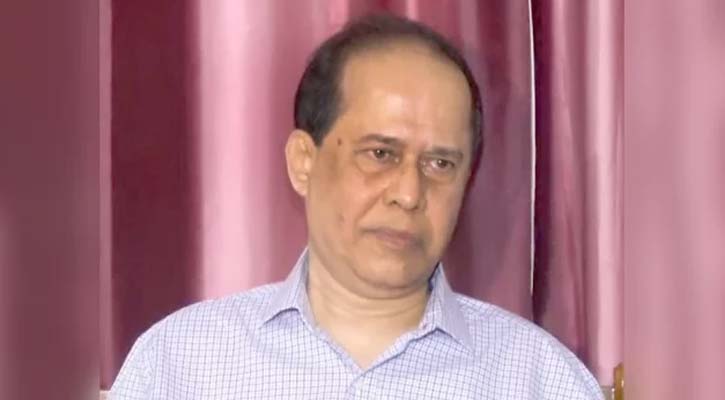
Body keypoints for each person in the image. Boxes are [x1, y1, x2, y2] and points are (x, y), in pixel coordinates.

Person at [110, 14, 603, 399]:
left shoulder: (539, 380)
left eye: (439, 164)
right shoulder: (182, 364)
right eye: (380, 154)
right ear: (304, 162)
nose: (408, 193)